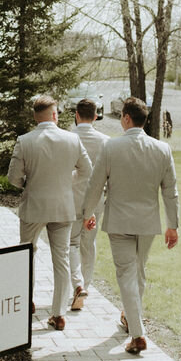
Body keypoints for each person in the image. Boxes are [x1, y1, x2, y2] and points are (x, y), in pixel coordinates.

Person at [82, 96, 179, 355]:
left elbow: (94, 184)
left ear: (126, 118)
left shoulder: (111, 148)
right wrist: (173, 225)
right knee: (138, 271)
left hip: (120, 221)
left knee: (127, 274)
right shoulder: (162, 149)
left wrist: (87, 213)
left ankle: (137, 335)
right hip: (148, 223)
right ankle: (130, 316)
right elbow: (170, 192)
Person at [8, 95, 91, 331]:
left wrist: (28, 183)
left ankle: (27, 302)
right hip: (63, 206)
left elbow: (13, 177)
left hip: (34, 205)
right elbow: (87, 171)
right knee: (61, 260)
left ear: (35, 117)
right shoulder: (72, 139)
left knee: (26, 255)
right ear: (54, 115)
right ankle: (58, 313)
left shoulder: (25, 141)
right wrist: (67, 182)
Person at [69, 98, 109, 311]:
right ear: (95, 116)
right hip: (96, 201)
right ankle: (86, 284)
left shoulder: (66, 137)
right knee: (89, 242)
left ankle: (78, 285)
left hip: (71, 198)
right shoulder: (106, 141)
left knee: (72, 243)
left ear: (76, 115)